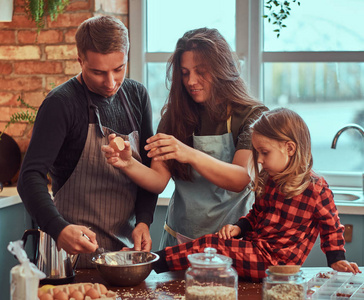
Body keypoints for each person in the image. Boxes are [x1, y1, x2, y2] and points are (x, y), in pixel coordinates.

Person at [151, 108, 361, 282]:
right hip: (256, 250)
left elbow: (332, 227)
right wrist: (238, 228)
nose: (259, 159)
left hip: (276, 265)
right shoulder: (270, 180)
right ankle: (156, 262)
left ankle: (152, 261)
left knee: (211, 247)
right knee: (212, 249)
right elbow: (255, 215)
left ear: (290, 148)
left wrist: (336, 259)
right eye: (257, 152)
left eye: (265, 152)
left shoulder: (316, 189)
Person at [102, 27, 267, 247]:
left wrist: (188, 153)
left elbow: (240, 179)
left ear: (221, 69)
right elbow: (158, 181)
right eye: (185, 72)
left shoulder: (252, 115)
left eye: (201, 71)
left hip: (234, 240)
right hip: (180, 239)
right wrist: (128, 163)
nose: (191, 81)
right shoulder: (174, 116)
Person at [17, 15, 158, 268]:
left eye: (119, 68)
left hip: (125, 256)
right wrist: (58, 229)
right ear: (80, 60)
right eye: (98, 72)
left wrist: (144, 221)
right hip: (68, 257)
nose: (111, 82)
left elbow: (149, 170)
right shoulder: (60, 104)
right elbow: (29, 177)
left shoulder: (137, 96)